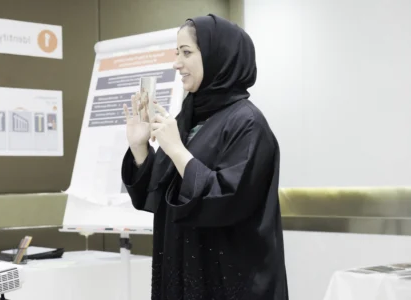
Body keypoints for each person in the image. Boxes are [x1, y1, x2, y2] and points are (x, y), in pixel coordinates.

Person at [121, 14, 288, 300]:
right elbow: (158, 195)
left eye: (186, 53)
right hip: (183, 270)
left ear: (217, 56)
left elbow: (228, 198)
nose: (177, 64)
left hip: (229, 280)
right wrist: (140, 148)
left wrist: (176, 150)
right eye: (177, 53)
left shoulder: (247, 123)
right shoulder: (189, 118)